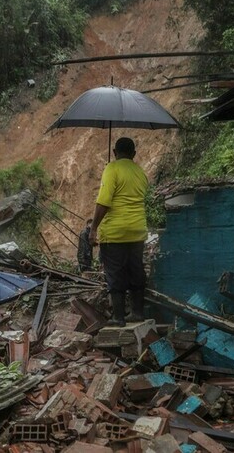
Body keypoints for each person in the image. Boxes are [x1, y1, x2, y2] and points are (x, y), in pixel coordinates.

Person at [89, 137, 148, 327]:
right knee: (135, 270)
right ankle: (137, 312)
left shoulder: (112, 169)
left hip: (115, 232)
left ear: (114, 152)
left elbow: (104, 202)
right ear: (134, 154)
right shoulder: (140, 172)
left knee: (115, 273)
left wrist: (93, 228)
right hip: (137, 230)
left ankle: (118, 317)